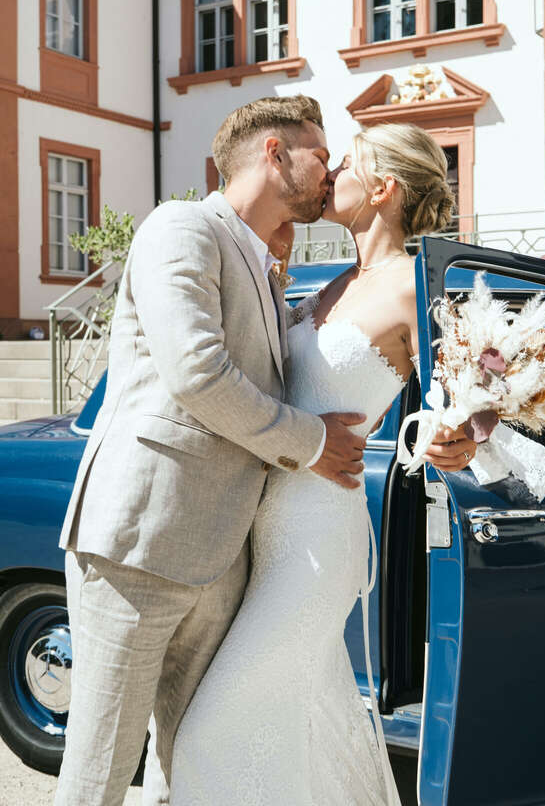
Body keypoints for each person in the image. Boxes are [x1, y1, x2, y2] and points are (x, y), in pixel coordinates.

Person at [55, 96, 377, 806]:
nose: (329, 172)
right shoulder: (181, 227)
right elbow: (196, 372)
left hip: (225, 553)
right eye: (320, 155)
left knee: (193, 764)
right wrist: (314, 442)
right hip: (139, 543)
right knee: (101, 769)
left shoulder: (262, 260)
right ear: (273, 154)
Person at [170, 122, 477, 806]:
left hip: (318, 539)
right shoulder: (335, 282)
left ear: (384, 188)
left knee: (211, 731)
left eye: (346, 164)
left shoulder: (414, 288)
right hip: (259, 528)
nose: (328, 173)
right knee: (300, 724)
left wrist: (462, 434)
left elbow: (476, 397)